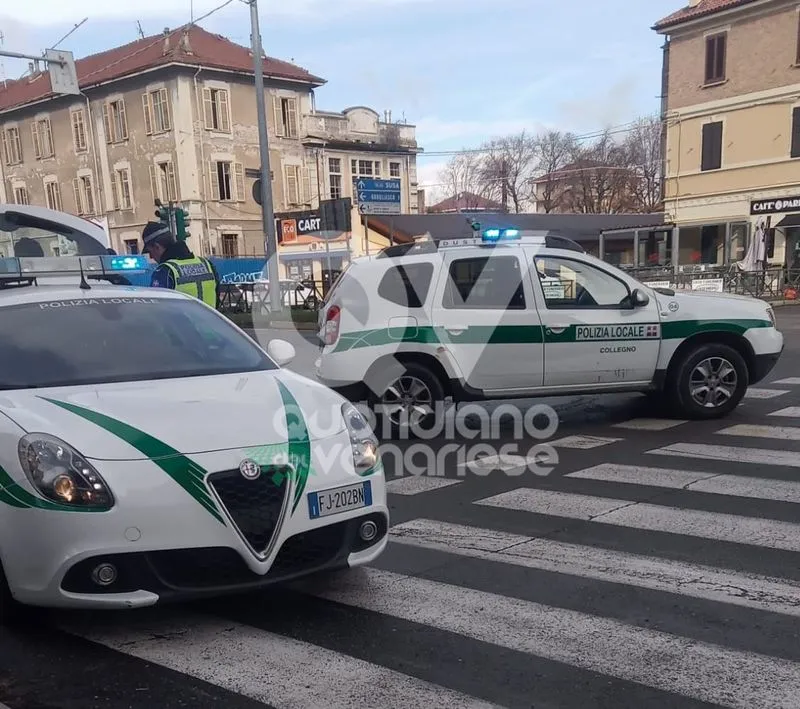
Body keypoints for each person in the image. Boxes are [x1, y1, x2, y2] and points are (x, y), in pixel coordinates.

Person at [141, 221, 219, 309]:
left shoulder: (165, 271)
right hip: (212, 322)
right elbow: (217, 300)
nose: (151, 257)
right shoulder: (206, 264)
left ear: (157, 246)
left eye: (150, 251)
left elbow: (157, 310)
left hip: (179, 323)